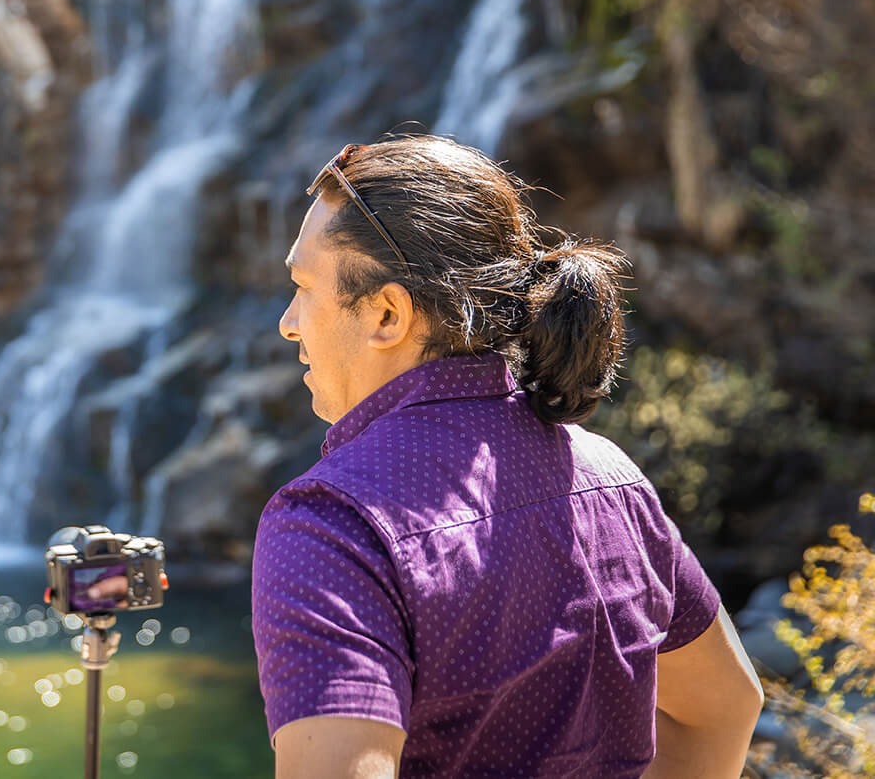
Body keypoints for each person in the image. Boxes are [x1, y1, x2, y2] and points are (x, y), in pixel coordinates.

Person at [252, 136, 763, 778]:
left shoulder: (331, 526)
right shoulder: (610, 478)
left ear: (387, 313)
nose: (287, 323)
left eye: (302, 287)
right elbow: (727, 707)